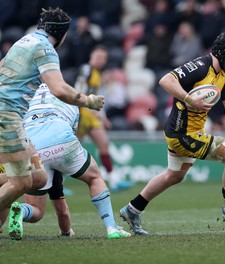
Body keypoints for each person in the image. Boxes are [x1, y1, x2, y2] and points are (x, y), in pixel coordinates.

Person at [119, 31, 225, 235]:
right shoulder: (200, 66)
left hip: (189, 131)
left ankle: (132, 209)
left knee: (174, 176)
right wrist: (190, 100)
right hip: (183, 134)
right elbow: (165, 80)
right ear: (221, 53)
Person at [0, 7, 104, 235]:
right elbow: (58, 89)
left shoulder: (24, 40)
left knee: (38, 177)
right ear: (63, 34)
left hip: (11, 117)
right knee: (21, 182)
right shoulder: (45, 48)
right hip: (6, 117)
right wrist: (88, 100)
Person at [6, 83, 131, 240]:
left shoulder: (24, 97)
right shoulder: (69, 96)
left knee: (36, 209)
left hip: (33, 147)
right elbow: (73, 132)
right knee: (94, 177)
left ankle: (21, 211)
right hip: (61, 138)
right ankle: (112, 228)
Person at [74, 45, 133, 192]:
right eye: (98, 57)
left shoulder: (97, 74)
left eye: (103, 58)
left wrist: (101, 116)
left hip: (90, 115)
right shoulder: (86, 70)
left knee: (104, 144)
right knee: (71, 149)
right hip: (82, 114)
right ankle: (56, 183)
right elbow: (79, 91)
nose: (101, 60)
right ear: (91, 56)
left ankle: (114, 180)